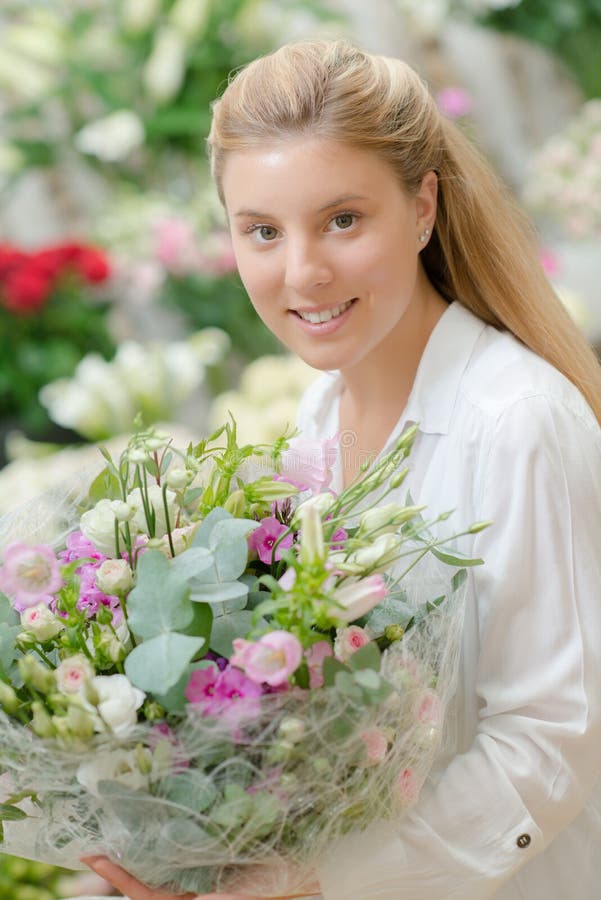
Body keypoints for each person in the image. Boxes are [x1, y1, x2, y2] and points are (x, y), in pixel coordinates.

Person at [84, 39, 601, 900]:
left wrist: (317, 881)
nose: (303, 273)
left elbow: (551, 740)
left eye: (342, 219)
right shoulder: (319, 412)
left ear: (424, 206)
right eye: (261, 231)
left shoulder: (516, 421)